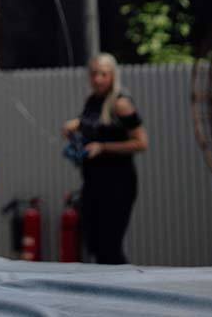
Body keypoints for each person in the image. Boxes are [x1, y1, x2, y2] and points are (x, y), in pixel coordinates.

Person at [62, 52, 148, 264]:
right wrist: (73, 127)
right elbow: (90, 125)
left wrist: (104, 147)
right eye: (93, 74)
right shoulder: (92, 101)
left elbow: (141, 142)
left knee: (109, 246)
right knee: (93, 242)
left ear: (112, 76)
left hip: (117, 183)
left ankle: (123, 290)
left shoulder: (121, 103)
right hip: (93, 181)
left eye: (103, 74)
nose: (97, 79)